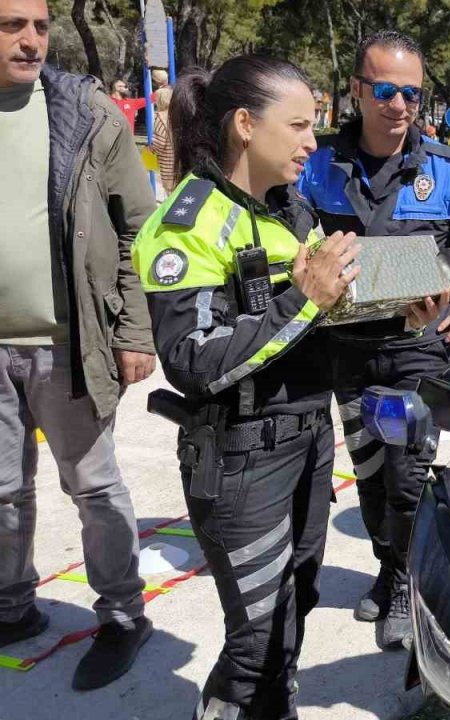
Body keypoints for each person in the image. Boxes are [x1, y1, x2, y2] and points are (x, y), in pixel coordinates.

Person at [131, 55, 448, 717]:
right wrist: (305, 300)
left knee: (293, 609)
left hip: (307, 442)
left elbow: (320, 328)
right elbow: (194, 360)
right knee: (257, 645)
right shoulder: (187, 223)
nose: (313, 140)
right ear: (245, 125)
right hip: (241, 460)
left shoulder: (290, 207)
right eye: (299, 125)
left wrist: (397, 313)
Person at [295, 30, 450, 649]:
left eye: (413, 94)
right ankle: (388, 565)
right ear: (356, 90)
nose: (399, 105)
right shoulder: (317, 164)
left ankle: (407, 581)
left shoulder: (448, 170)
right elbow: (284, 236)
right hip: (343, 350)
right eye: (386, 90)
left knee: (406, 477)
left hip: (417, 349)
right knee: (369, 474)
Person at [0, 0, 158, 691]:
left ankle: (124, 615)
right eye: (12, 26)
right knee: (2, 494)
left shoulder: (88, 114)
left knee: (93, 488)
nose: (32, 40)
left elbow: (139, 231)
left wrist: (135, 332)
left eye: (38, 25)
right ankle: (11, 608)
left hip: (70, 345)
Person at [151, 85, 177, 193]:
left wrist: (151, 148)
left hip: (168, 163)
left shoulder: (161, 118)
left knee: (171, 195)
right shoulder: (178, 114)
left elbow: (159, 144)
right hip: (181, 160)